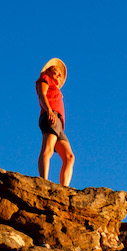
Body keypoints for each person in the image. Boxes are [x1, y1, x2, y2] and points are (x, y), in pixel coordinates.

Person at [36, 57, 74, 186]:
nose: (59, 75)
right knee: (48, 149)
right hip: (50, 115)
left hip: (58, 124)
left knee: (69, 157)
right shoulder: (45, 79)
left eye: (60, 75)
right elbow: (42, 95)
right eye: (57, 71)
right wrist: (49, 111)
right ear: (49, 71)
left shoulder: (57, 90)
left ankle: (64, 188)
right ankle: (44, 181)